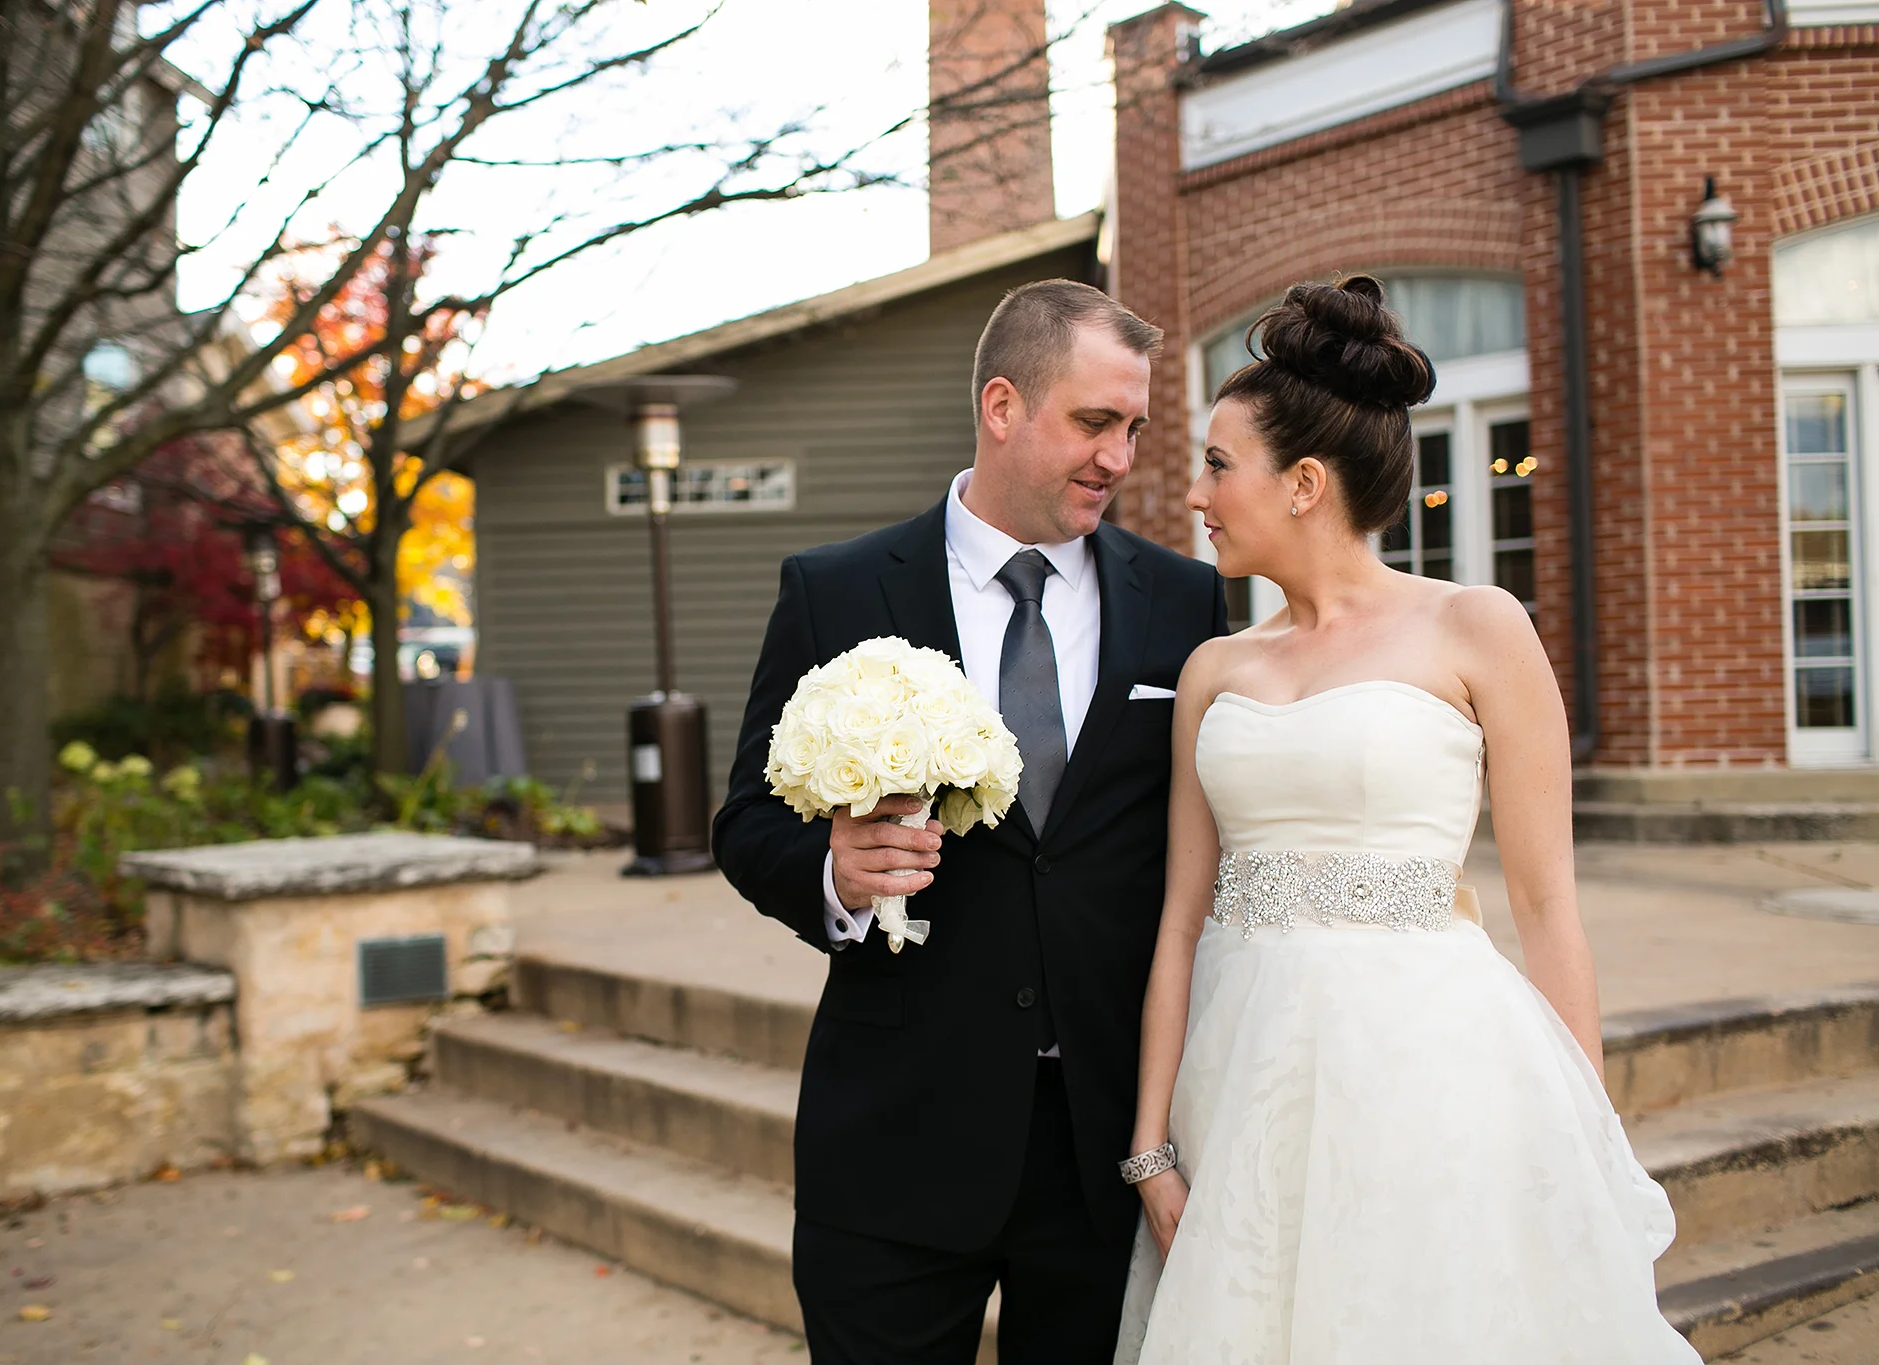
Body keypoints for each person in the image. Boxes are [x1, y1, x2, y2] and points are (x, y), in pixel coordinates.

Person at [1113, 275, 1699, 1363]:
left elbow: (1546, 906)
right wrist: (1151, 1146)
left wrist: (1585, 1133)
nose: (1195, 493)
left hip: (1429, 1068)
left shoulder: (1477, 628)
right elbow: (1181, 921)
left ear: (1301, 484)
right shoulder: (1212, 670)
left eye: (1216, 464)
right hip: (1240, 1084)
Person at [713, 278, 1229, 1365]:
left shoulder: (1184, 601)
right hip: (895, 1140)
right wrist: (836, 873)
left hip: (1103, 1148)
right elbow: (747, 822)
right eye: (1094, 421)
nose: (1119, 457)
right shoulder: (838, 589)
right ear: (1002, 406)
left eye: (1133, 429)